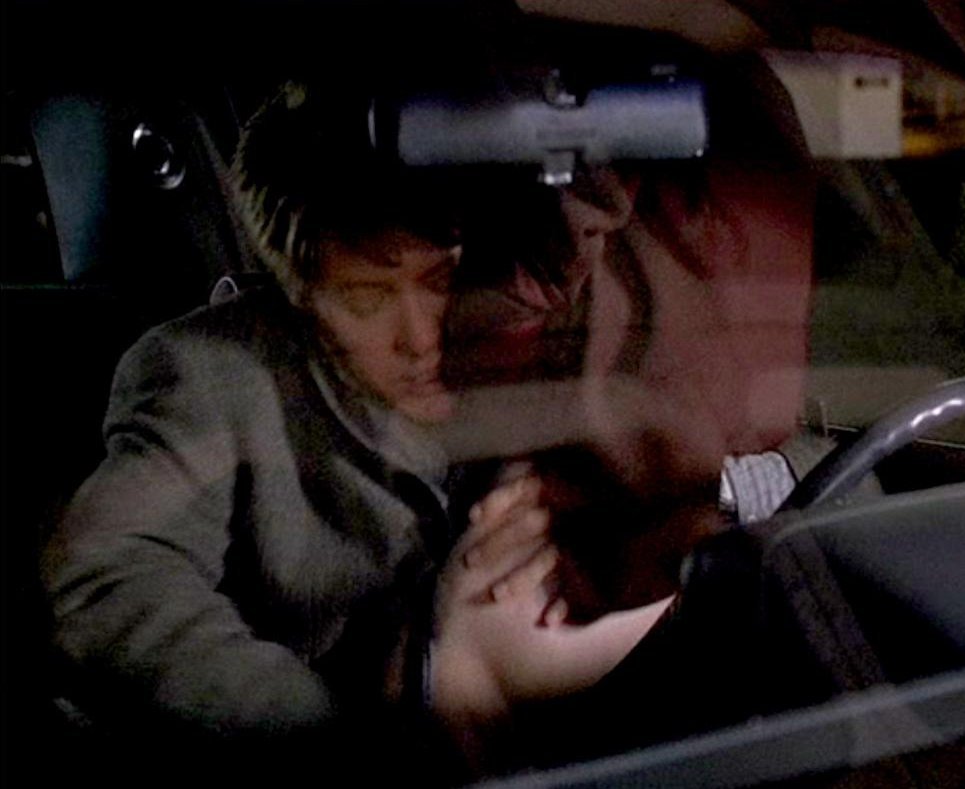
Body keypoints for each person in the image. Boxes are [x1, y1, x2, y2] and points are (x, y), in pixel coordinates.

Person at [39, 80, 670, 784]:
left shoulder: (528, 350)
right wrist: (347, 744)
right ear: (301, 293)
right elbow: (109, 579)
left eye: (440, 282)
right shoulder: (215, 372)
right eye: (366, 297)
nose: (418, 337)